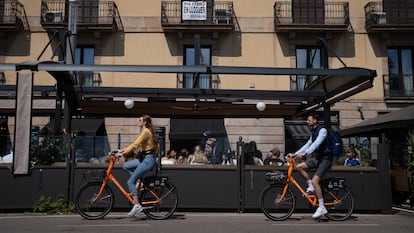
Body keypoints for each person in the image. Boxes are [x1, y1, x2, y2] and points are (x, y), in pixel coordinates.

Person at [287, 113, 331, 219]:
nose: (307, 122)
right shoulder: (314, 132)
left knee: (316, 181)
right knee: (299, 167)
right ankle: (310, 185)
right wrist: (295, 154)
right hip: (317, 159)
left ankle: (321, 207)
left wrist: (306, 153)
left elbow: (316, 144)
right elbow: (308, 144)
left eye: (309, 120)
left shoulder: (322, 131)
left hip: (325, 159)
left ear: (315, 120)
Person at [114, 115, 159, 217]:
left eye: (140, 120)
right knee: (125, 166)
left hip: (148, 160)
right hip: (144, 159)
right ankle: (138, 181)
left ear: (144, 122)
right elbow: (136, 145)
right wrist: (121, 150)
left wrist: (122, 153)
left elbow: (135, 144)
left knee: (130, 181)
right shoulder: (146, 131)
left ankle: (137, 205)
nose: (138, 121)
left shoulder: (146, 132)